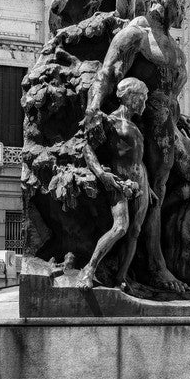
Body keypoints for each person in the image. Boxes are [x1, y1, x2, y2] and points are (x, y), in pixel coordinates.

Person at [82, 0, 190, 293]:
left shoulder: (172, 44)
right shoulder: (137, 33)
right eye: (182, 5)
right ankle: (154, 267)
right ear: (168, 2)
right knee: (152, 199)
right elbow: (106, 74)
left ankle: (164, 260)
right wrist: (93, 110)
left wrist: (179, 115)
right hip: (141, 131)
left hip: (168, 127)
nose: (183, 13)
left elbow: (167, 91)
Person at [77, 78, 151, 289]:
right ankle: (88, 269)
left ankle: (121, 278)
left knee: (135, 231)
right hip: (119, 181)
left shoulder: (135, 126)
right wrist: (101, 174)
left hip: (141, 183)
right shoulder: (110, 122)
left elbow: (138, 158)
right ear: (129, 97)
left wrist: (149, 187)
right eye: (141, 98)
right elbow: (87, 148)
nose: (144, 103)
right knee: (120, 228)